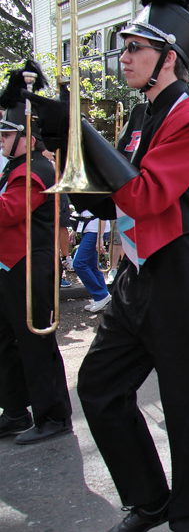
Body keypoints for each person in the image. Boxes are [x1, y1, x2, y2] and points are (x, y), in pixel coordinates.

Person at [27, 1, 189, 529]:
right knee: (98, 386)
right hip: (140, 276)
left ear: (169, 56)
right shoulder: (142, 113)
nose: (124, 56)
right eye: (124, 46)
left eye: (135, 47)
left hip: (185, 283)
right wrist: (64, 138)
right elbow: (105, 197)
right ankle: (151, 497)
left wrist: (83, 129)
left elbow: (142, 197)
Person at [0, 61, 72, 446]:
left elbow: (10, 212)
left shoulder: (36, 170)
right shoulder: (15, 165)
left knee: (35, 344)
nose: (0, 138)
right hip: (9, 268)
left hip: (29, 267)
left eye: (6, 133)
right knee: (6, 344)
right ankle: (14, 411)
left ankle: (54, 416)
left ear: (25, 135)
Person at [72, 210, 112, 312]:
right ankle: (104, 299)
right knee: (92, 265)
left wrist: (100, 237)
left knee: (79, 263)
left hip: (95, 230)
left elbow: (103, 210)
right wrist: (74, 230)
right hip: (89, 228)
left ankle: (101, 296)